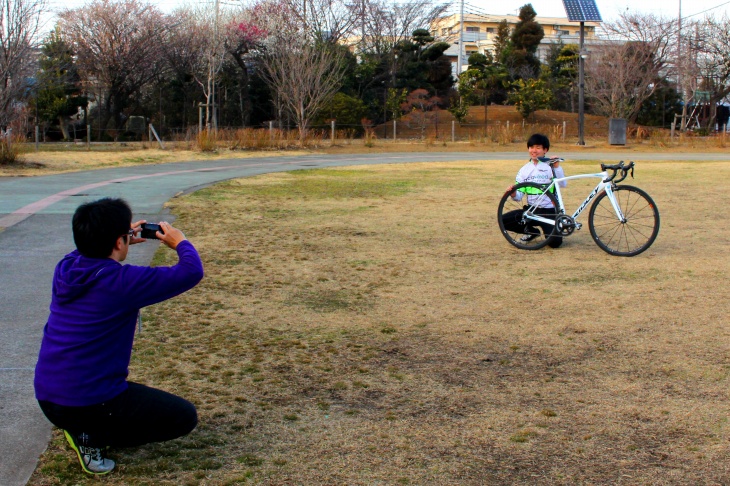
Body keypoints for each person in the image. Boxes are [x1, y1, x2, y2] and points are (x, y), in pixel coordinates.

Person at [34, 197, 204, 475]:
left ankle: (80, 427)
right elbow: (191, 271)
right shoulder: (123, 282)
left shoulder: (65, 268)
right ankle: (90, 438)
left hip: (48, 398)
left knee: (111, 403)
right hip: (89, 403)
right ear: (117, 242)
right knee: (183, 417)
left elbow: (86, 252)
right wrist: (180, 242)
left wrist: (117, 242)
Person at [502, 133, 567, 248]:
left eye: (538, 147)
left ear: (545, 150)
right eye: (531, 147)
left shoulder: (550, 166)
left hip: (549, 211)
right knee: (503, 220)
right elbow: (518, 196)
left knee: (555, 244)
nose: (534, 150)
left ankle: (558, 226)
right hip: (531, 211)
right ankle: (531, 232)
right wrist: (513, 193)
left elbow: (563, 184)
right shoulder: (524, 170)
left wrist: (557, 167)